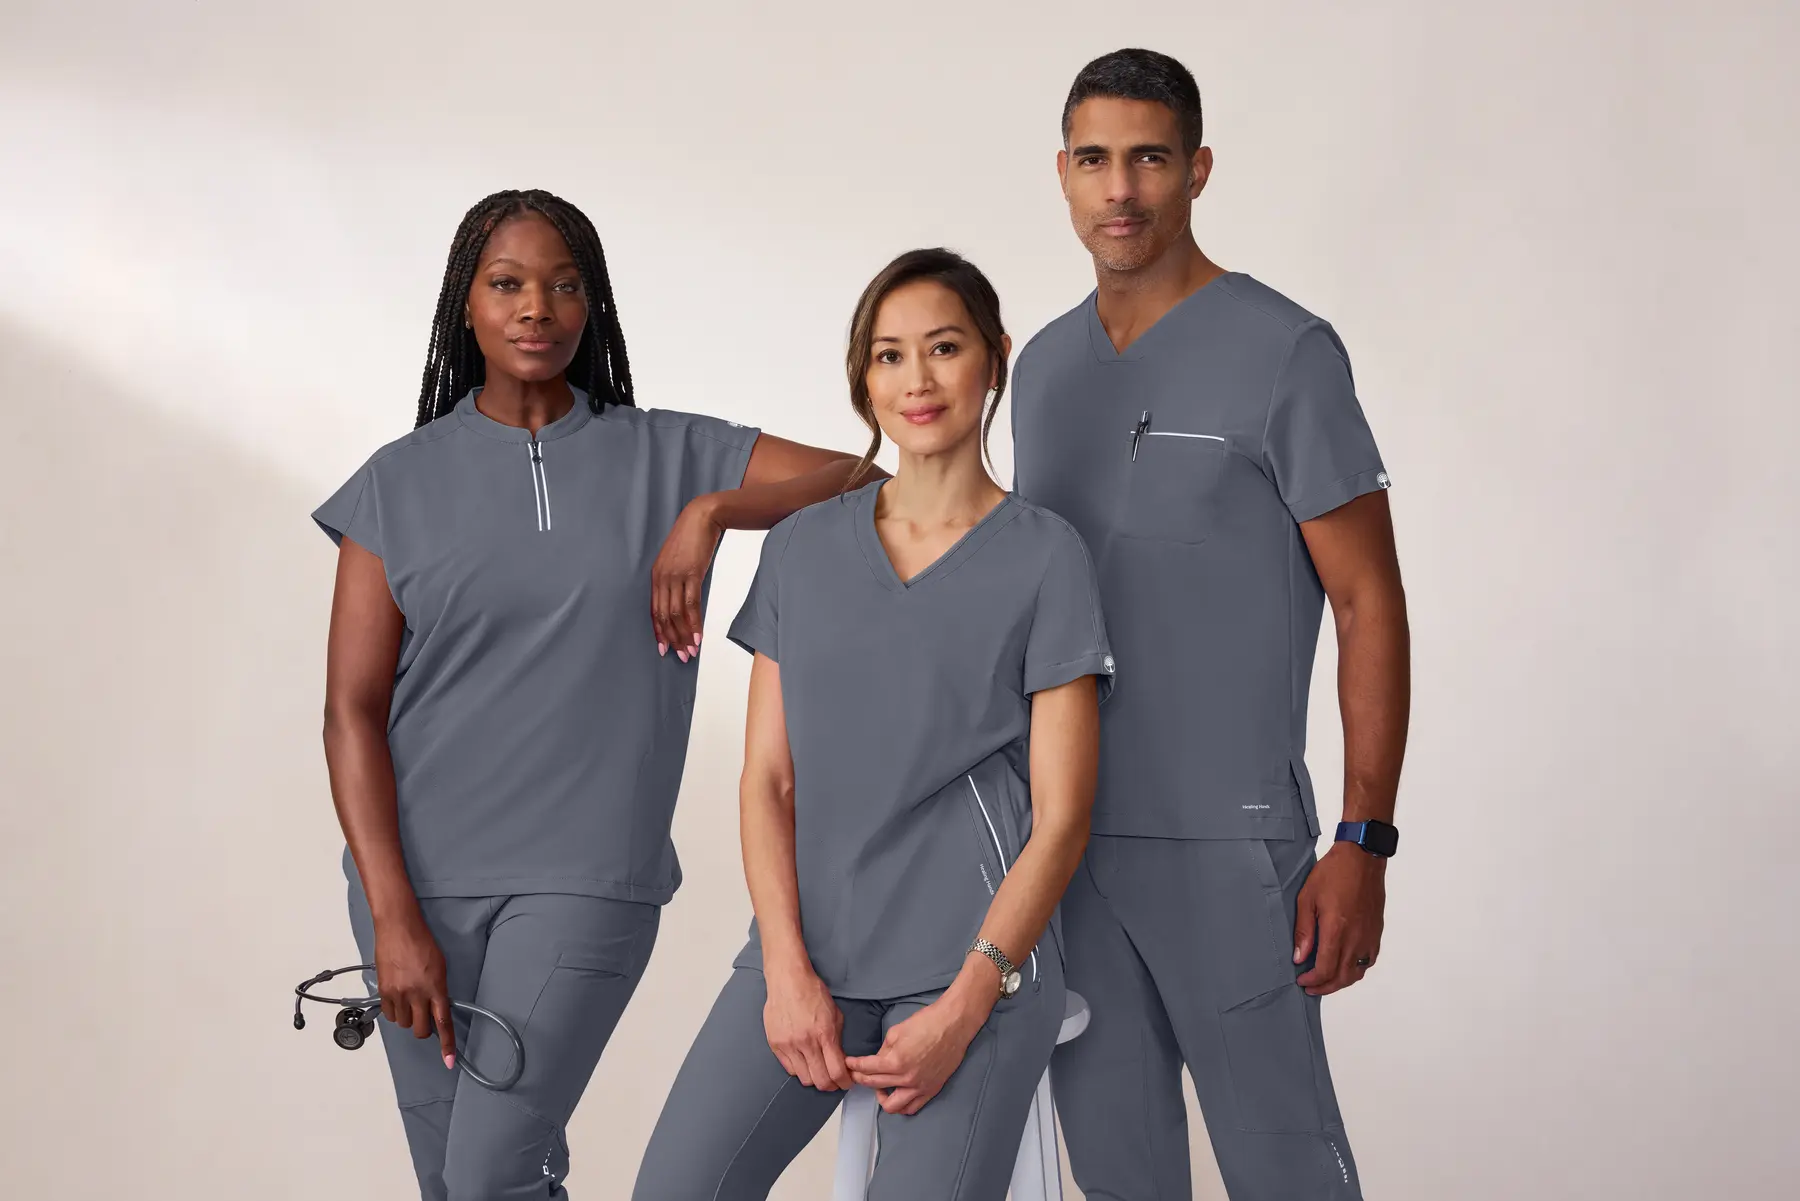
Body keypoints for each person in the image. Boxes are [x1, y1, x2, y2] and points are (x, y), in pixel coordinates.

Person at [312, 188, 875, 1201]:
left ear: (593, 304)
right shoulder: (394, 484)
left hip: (586, 877)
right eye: (508, 284)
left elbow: (866, 481)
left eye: (564, 285)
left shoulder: (674, 453)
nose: (538, 307)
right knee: (457, 1181)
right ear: (466, 303)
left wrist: (714, 512)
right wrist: (393, 915)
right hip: (414, 884)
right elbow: (350, 711)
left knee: (489, 1171)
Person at [1010, 50, 1413, 1201]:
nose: (1120, 188)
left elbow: (1369, 601)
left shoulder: (1286, 352)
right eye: (1096, 159)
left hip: (1233, 852)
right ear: (1063, 172)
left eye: (1149, 158)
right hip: (1067, 847)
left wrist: (1364, 839)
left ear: (1197, 169)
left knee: (1288, 1170)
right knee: (1120, 1176)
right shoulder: (1040, 369)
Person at [630, 248, 1115, 1201]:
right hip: (812, 949)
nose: (916, 379)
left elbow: (1062, 818)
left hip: (975, 965)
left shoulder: (1046, 556)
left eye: (944, 348)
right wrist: (785, 971)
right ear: (864, 378)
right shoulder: (803, 548)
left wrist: (967, 1003)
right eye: (889, 356)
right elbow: (768, 780)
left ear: (994, 357)